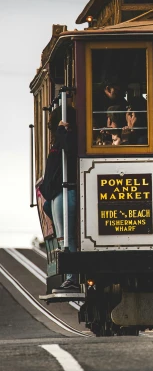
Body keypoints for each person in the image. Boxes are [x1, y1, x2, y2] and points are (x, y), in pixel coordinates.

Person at [40, 105, 79, 292]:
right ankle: (70, 277)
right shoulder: (58, 142)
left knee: (68, 239)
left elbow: (71, 149)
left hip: (66, 193)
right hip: (57, 195)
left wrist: (63, 132)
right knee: (65, 238)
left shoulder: (68, 139)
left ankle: (72, 278)